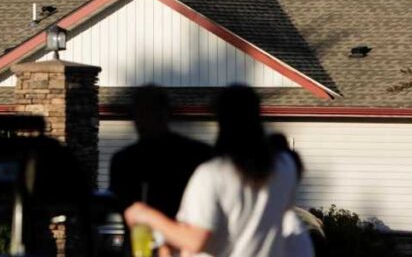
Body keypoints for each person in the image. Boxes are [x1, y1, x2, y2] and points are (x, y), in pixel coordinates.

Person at [124, 85, 299, 257]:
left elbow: (195, 240)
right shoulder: (284, 167)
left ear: (221, 121)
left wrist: (146, 215)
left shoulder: (212, 174)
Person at [109, 84, 213, 218]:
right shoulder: (198, 153)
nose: (144, 118)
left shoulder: (124, 161)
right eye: (141, 112)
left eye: (149, 111)